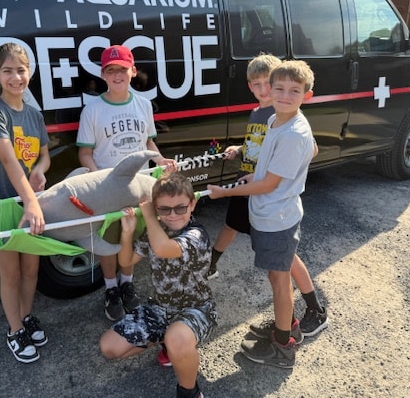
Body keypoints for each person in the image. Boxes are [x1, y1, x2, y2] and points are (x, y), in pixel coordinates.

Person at [208, 54, 328, 339]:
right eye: (259, 84)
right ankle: (284, 321)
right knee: (271, 256)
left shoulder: (287, 118)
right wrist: (244, 154)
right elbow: (258, 146)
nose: (266, 90)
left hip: (268, 199)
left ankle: (303, 319)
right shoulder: (266, 114)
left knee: (282, 268)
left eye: (268, 83)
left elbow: (310, 149)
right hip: (255, 188)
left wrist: (281, 170)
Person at [76, 44, 176, 321]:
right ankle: (111, 288)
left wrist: (161, 161)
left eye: (122, 69)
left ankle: (128, 283)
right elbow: (84, 152)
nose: (117, 75)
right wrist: (99, 180)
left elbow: (148, 141)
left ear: (132, 71)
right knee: (109, 241)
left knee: (134, 237)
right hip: (109, 190)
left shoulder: (143, 105)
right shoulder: (93, 110)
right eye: (111, 70)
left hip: (140, 186)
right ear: (103, 75)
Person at [100, 172, 216, 398]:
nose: (173, 215)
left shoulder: (196, 233)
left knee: (178, 339)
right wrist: (127, 232)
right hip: (160, 307)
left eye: (180, 207)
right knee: (109, 347)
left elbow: (164, 248)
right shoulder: (154, 231)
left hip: (197, 309)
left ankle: (190, 392)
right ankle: (166, 341)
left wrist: (151, 216)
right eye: (164, 209)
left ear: (192, 204)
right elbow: (125, 262)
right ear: (157, 208)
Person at [0, 42, 50, 363]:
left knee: (31, 270)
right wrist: (32, 202)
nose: (15, 77)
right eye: (7, 71)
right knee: (10, 274)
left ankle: (25, 317)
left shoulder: (34, 115)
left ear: (29, 73)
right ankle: (14, 329)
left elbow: (45, 154)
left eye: (20, 70)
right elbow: (8, 160)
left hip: (29, 203)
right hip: (1, 205)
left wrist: (39, 170)